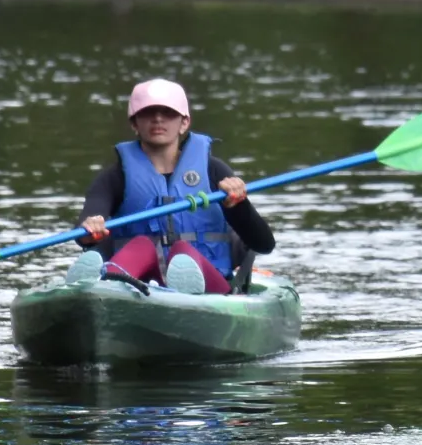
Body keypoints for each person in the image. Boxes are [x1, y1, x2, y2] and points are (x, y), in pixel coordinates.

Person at [76, 78, 277, 296]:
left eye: (168, 113)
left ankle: (183, 285)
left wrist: (239, 204)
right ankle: (99, 283)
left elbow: (264, 243)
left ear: (184, 122)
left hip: (211, 292)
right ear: (134, 123)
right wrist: (90, 230)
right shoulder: (114, 178)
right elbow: (85, 230)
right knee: (141, 244)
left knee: (182, 253)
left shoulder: (214, 172)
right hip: (137, 290)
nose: (158, 119)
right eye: (148, 113)